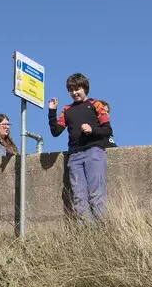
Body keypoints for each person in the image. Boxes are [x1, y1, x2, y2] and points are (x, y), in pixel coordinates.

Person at [48, 73, 113, 221]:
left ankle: (102, 231)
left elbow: (108, 130)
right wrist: (52, 111)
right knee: (79, 198)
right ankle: (86, 234)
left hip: (94, 152)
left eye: (78, 89)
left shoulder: (96, 105)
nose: (74, 93)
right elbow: (56, 131)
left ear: (85, 88)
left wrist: (92, 130)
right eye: (71, 90)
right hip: (75, 156)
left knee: (97, 195)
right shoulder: (67, 109)